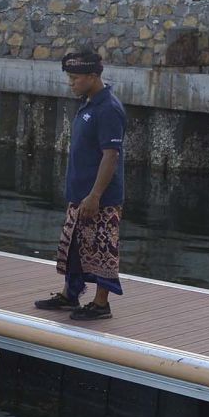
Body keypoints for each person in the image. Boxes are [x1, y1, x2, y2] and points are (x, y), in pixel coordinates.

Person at [34, 51, 125, 321]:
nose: (70, 83)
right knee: (74, 246)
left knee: (102, 249)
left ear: (93, 76)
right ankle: (69, 293)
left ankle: (100, 304)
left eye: (75, 78)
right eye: (69, 78)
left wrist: (95, 195)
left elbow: (111, 155)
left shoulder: (108, 108)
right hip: (80, 193)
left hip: (100, 198)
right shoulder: (88, 104)